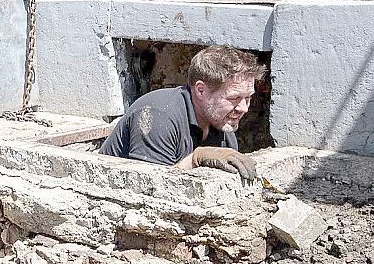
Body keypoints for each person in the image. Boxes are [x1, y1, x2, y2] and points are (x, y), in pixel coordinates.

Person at [99, 45, 265, 182]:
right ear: (201, 90)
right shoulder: (158, 115)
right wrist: (196, 159)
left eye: (248, 98)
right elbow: (148, 188)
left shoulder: (223, 127)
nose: (244, 108)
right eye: (234, 98)